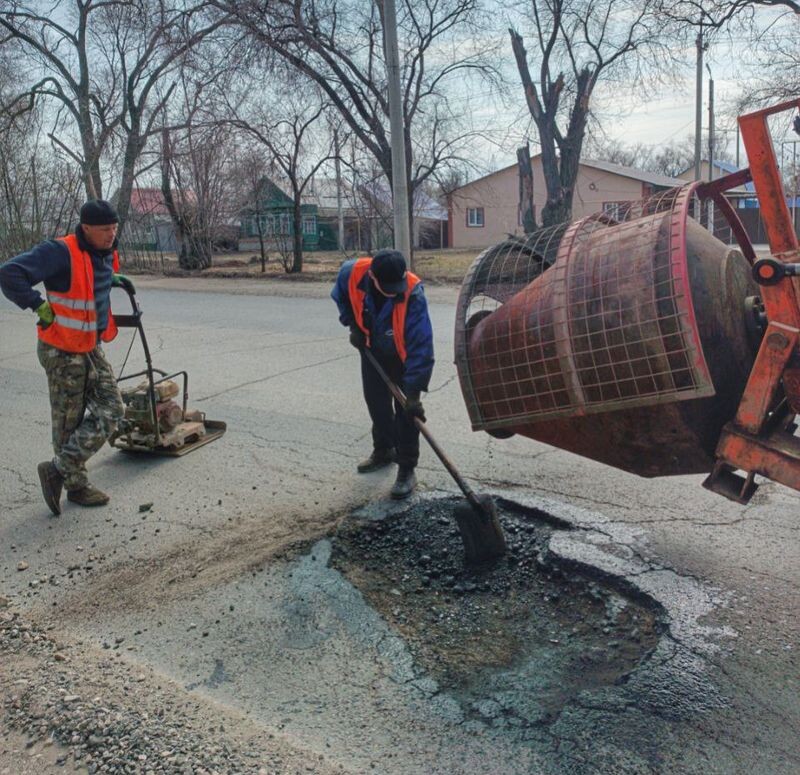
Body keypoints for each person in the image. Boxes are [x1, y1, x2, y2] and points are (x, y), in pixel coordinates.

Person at [0, 199, 128, 515]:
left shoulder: (103, 251)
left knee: (113, 408)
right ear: (86, 228)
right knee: (68, 420)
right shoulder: (60, 251)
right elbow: (9, 273)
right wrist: (37, 304)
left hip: (89, 344)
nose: (111, 235)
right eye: (104, 230)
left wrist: (111, 279)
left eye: (114, 228)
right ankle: (76, 485)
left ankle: (59, 468)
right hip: (60, 348)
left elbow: (89, 282)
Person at [331, 249, 434, 499]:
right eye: (388, 286)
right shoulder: (351, 274)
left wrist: (413, 394)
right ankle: (384, 450)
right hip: (372, 350)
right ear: (373, 277)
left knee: (406, 414)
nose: (394, 291)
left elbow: (421, 344)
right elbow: (340, 296)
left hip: (402, 356)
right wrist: (352, 325)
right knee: (377, 405)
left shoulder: (412, 293)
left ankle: (407, 468)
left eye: (397, 284)